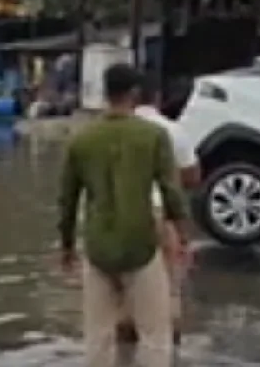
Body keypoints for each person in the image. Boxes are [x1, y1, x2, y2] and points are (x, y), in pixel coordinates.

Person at [57, 63, 189, 367]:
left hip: (98, 247)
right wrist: (182, 236)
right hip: (140, 244)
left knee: (99, 337)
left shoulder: (82, 140)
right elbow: (171, 192)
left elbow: (67, 201)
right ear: (135, 93)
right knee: (155, 335)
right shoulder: (153, 136)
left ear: (105, 93)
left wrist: (67, 246)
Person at [115, 75, 202, 343]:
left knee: (123, 292)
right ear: (157, 98)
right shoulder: (173, 131)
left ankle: (126, 347)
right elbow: (192, 177)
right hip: (161, 216)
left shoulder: (112, 131)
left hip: (118, 217)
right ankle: (168, 350)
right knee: (168, 289)